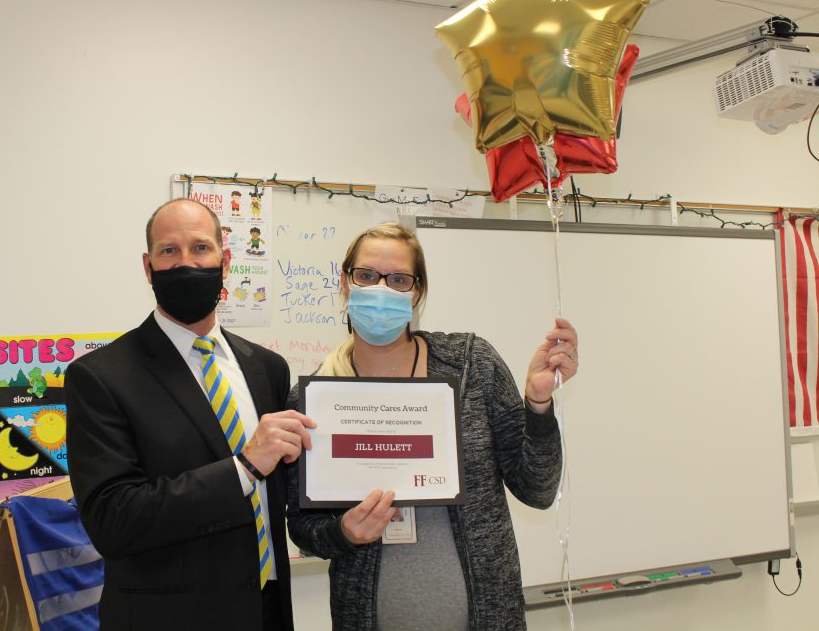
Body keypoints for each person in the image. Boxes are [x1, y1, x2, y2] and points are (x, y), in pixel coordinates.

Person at [285, 222, 578, 631]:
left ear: (417, 291)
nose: (381, 289)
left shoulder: (471, 364)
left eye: (399, 279)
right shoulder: (314, 400)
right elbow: (303, 528)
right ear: (345, 283)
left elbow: (539, 490)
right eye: (367, 276)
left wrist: (538, 402)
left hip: (487, 618)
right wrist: (342, 533)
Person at [66, 198, 315, 630]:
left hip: (268, 608)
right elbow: (112, 520)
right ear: (148, 268)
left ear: (226, 260)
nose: (186, 263)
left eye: (200, 248)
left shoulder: (267, 368)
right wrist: (242, 467)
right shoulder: (100, 377)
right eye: (169, 251)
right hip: (169, 618)